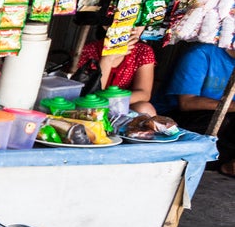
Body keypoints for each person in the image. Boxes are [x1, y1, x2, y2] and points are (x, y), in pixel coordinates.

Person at [166, 41, 235, 176]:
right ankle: (215, 163)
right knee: (219, 121)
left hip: (224, 124)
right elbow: (187, 103)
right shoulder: (202, 54)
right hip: (177, 119)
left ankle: (226, 164)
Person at [76, 25, 157, 115]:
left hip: (123, 106)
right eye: (129, 21)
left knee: (145, 108)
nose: (135, 29)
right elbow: (92, 93)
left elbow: (144, 94)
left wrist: (115, 102)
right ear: (106, 26)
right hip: (92, 107)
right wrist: (108, 59)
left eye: (140, 23)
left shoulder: (143, 52)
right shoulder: (88, 51)